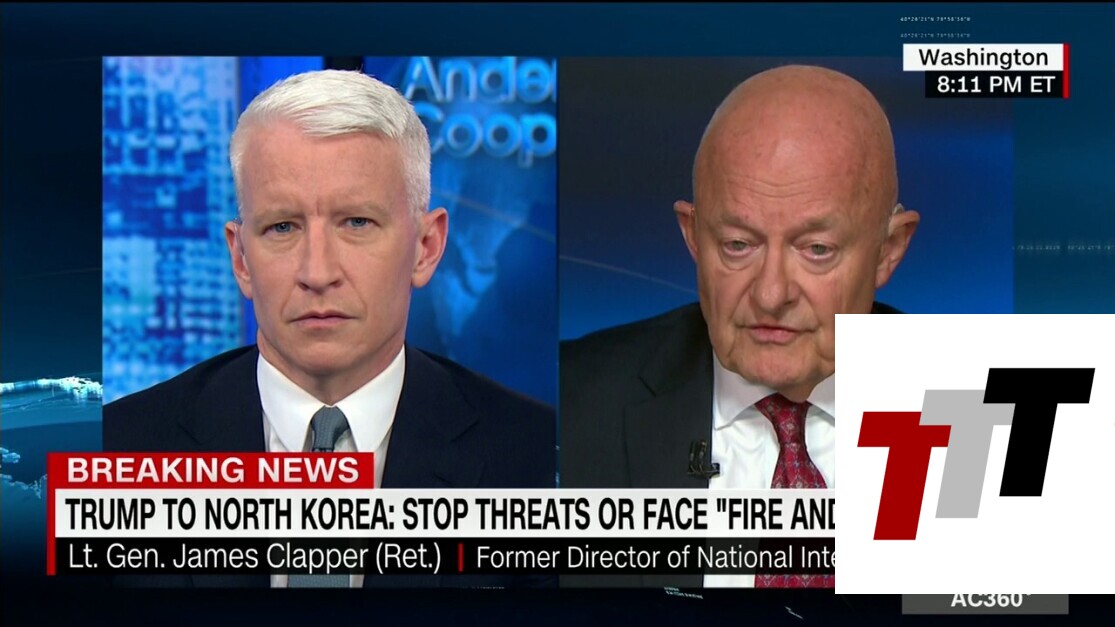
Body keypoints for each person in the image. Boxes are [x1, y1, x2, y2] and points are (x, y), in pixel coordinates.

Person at [103, 69, 556, 588]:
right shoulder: (118, 451)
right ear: (241, 258)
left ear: (425, 248)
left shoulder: (537, 459)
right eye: (282, 227)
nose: (317, 273)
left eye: (356, 222)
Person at [559, 65, 919, 588]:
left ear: (888, 250)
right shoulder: (568, 407)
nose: (771, 294)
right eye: (737, 245)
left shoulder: (991, 407)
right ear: (693, 236)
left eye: (817, 249)